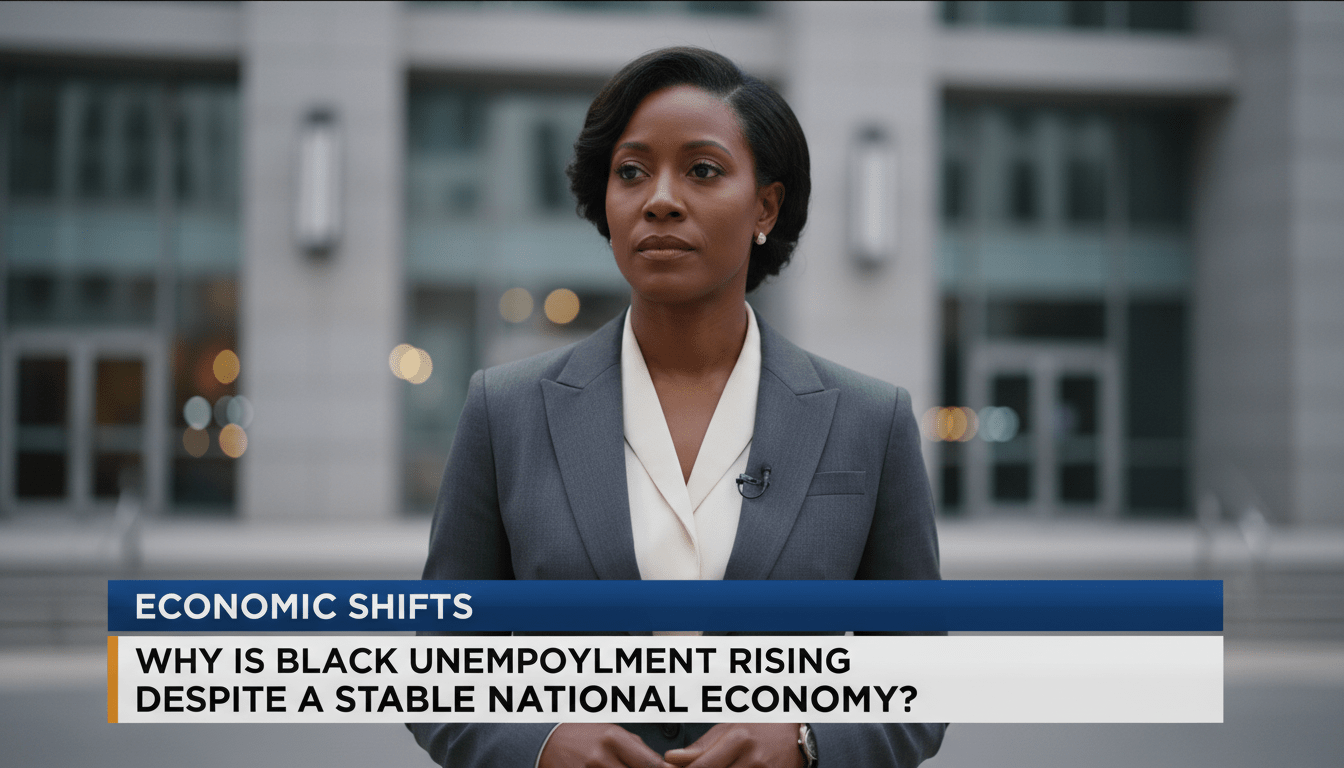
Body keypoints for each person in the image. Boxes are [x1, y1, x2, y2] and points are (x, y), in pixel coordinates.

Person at [408, 46, 943, 768]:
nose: (660, 197)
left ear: (767, 205)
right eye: (631, 172)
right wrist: (536, 744)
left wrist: (809, 741)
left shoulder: (869, 421)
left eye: (702, 170)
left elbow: (920, 685)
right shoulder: (504, 412)